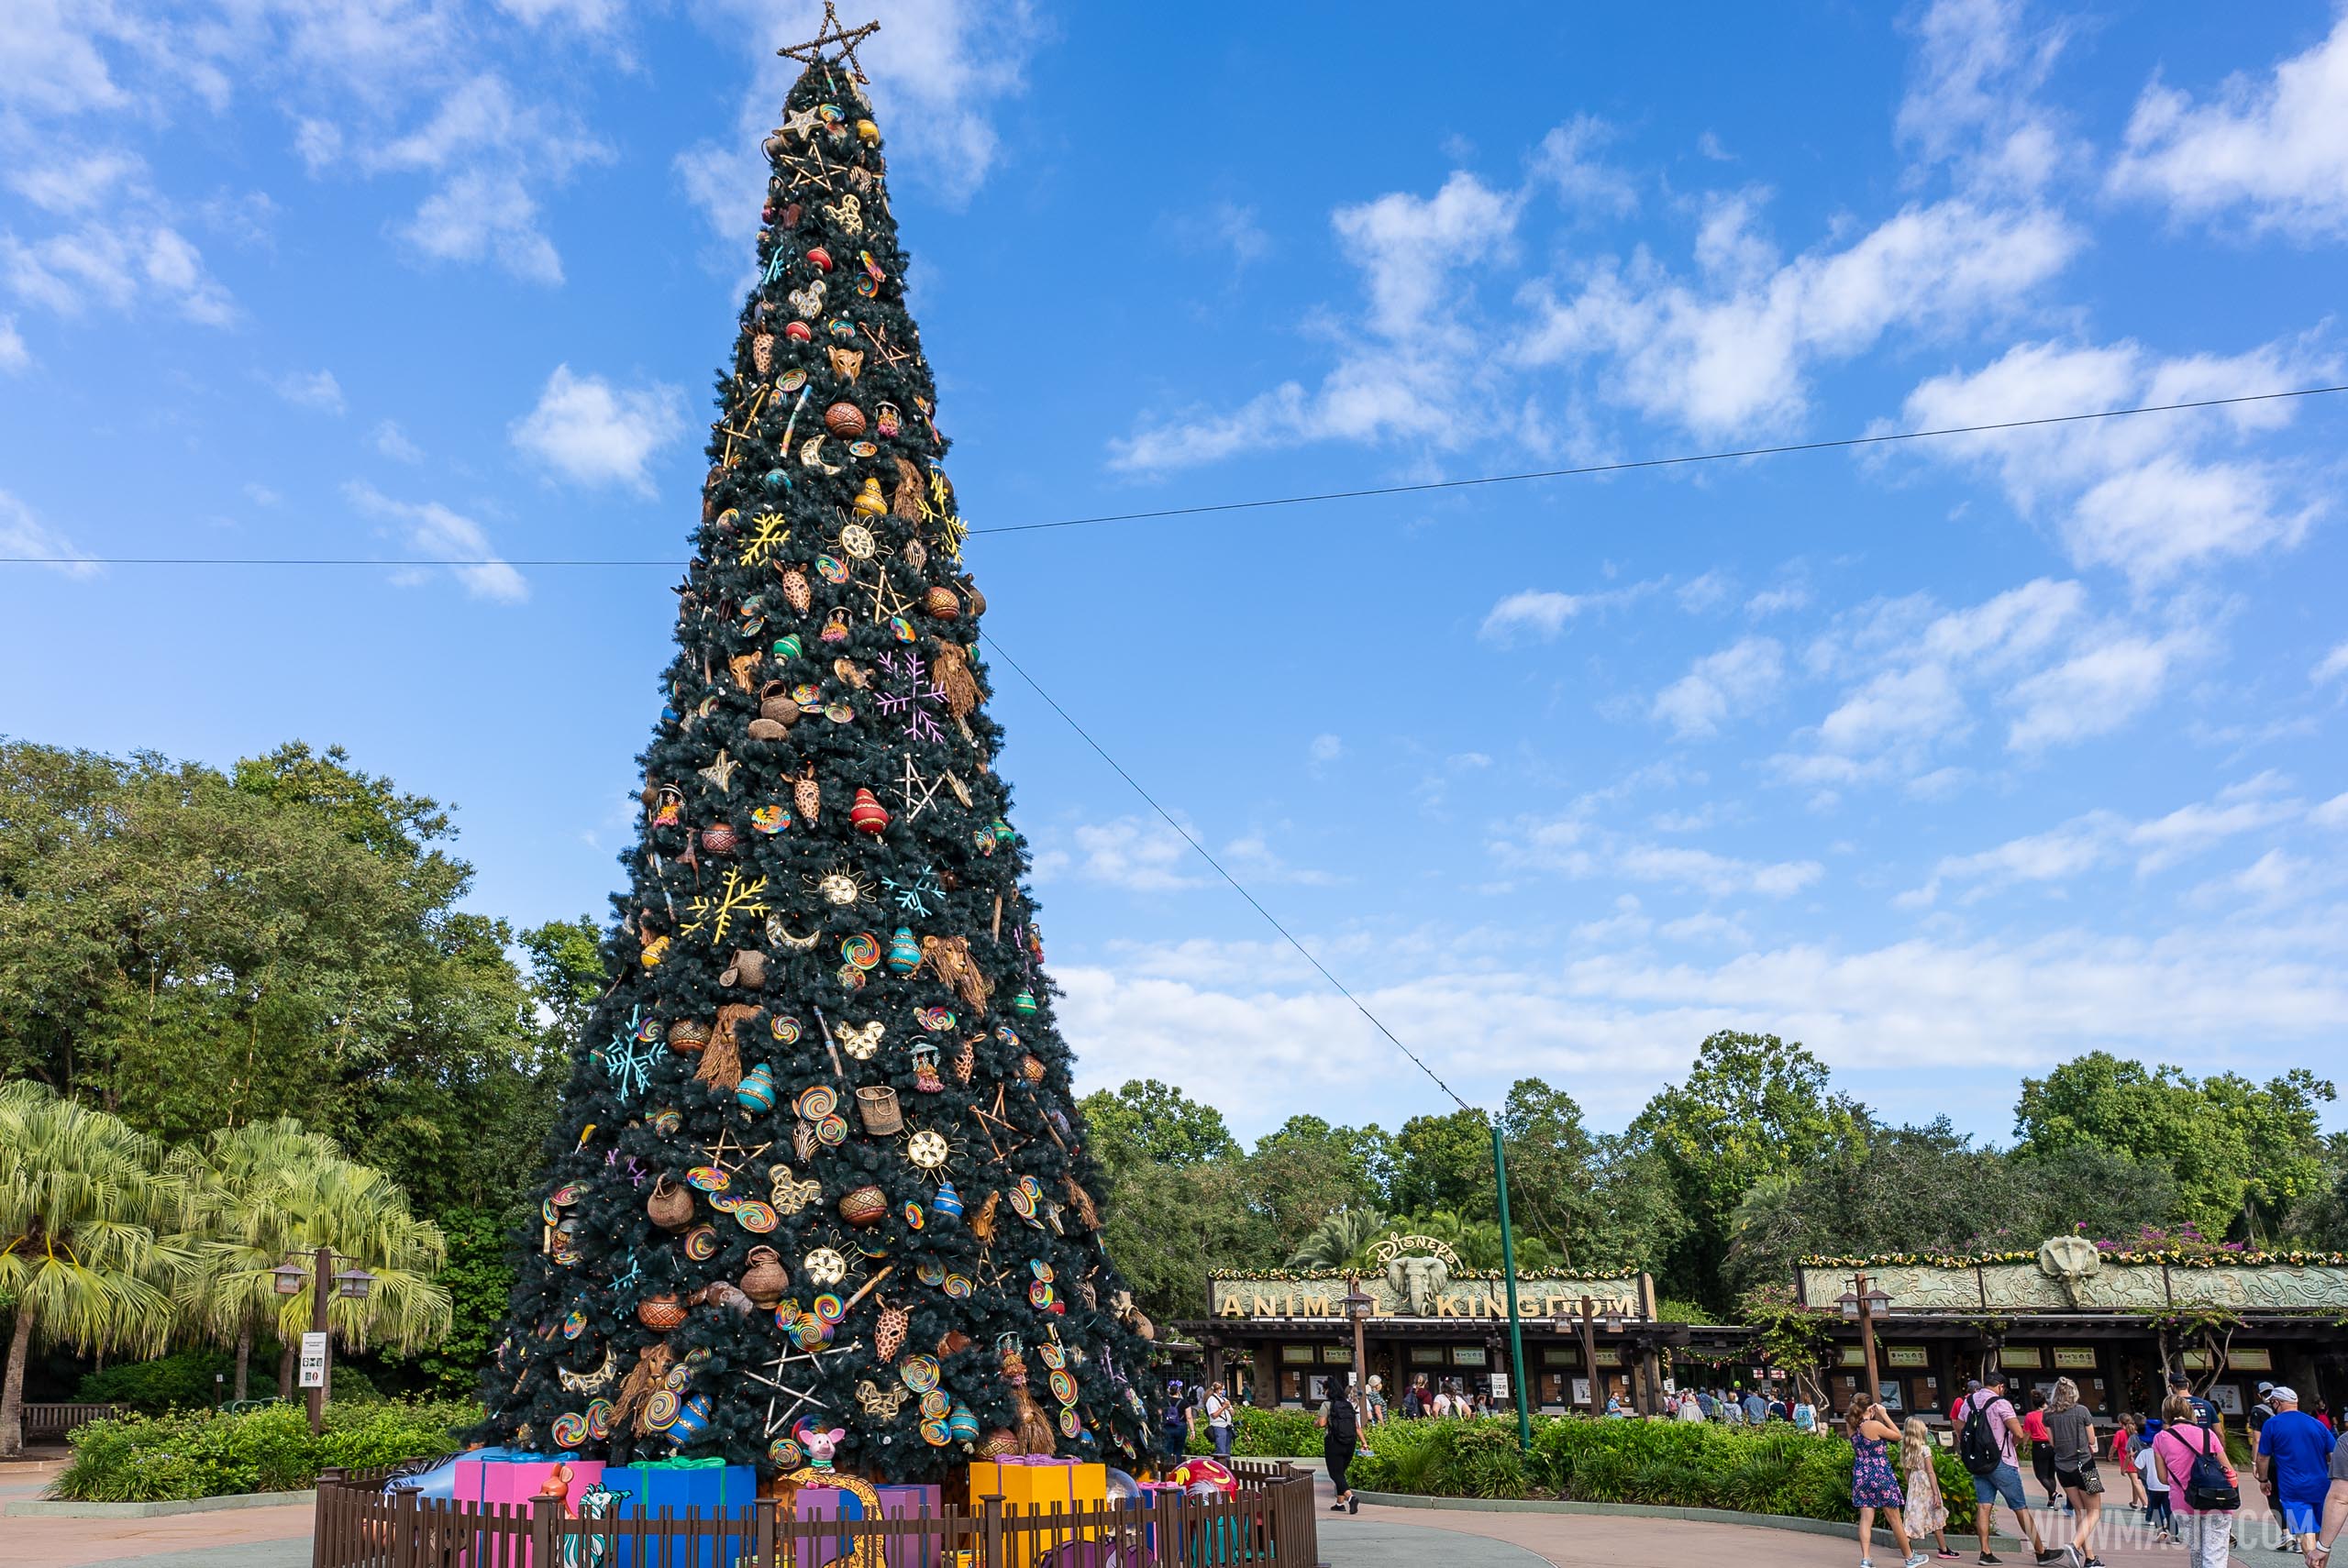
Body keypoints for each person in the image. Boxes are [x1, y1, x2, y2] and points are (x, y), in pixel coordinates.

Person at [1951, 1371, 2058, 1567]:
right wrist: (2013, 1443)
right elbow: (2018, 1432)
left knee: (1983, 1506)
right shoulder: (2001, 1403)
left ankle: (1985, 1552)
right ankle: (2041, 1552)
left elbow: (1959, 1425)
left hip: (1979, 1462)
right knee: (2020, 1507)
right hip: (2002, 1461)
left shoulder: (1969, 1402)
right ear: (2000, 1386)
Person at [2154, 1389, 2237, 1568]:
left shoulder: (2161, 1439)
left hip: (2183, 1502)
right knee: (2214, 1553)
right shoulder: (2208, 1434)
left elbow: (2162, 1478)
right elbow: (2229, 1470)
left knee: (2197, 1553)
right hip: (2216, 1499)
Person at [2257, 1387, 2337, 1563]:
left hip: (2291, 1488)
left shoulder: (2272, 1424)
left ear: (2277, 1402)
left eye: (2272, 1402)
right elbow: (2333, 1454)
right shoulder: (2316, 1424)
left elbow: (2263, 1456)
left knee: (2304, 1530)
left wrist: (2263, 1479)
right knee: (2321, 1536)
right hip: (2321, 1485)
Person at [1849, 1398, 1929, 1568]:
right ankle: (1909, 1557)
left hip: (1861, 1473)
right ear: (1870, 1408)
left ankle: (1866, 1559)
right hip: (1880, 1473)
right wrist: (1884, 1415)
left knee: (1866, 1517)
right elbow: (1898, 1435)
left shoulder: (1851, 1426)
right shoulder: (1873, 1425)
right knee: (1894, 1518)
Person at [2043, 1376, 2106, 1568]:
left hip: (2062, 1467)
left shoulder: (2048, 1415)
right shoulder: (2082, 1411)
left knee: (2079, 1511)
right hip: (2085, 1465)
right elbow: (2091, 1438)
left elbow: (2052, 1442)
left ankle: (2089, 1557)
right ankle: (2074, 1545)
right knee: (2095, 1511)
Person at [1902, 1415, 1961, 1559]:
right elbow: (1930, 1472)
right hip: (1927, 1485)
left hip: (1915, 1485)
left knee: (1913, 1516)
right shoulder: (1925, 1449)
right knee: (1936, 1514)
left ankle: (1909, 1549)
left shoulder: (1907, 1450)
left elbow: (1906, 1472)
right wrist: (1935, 1493)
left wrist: (1912, 1485)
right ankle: (1942, 1549)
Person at [2135, 1413, 2174, 1544]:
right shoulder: (2168, 1451)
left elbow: (2138, 1466)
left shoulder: (2145, 1452)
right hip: (2168, 1485)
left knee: (2156, 1508)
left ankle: (2160, 1529)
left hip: (2153, 1485)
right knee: (2169, 1510)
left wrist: (2131, 1457)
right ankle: (2174, 1534)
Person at [2020, 1390, 2060, 1509]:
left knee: (2041, 1475)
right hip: (2053, 1445)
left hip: (2039, 1445)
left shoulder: (2030, 1416)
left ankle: (2054, 1493)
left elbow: (2027, 1433)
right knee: (2051, 1474)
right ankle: (2051, 1501)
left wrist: (2025, 1444)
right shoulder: (2053, 1413)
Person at [2110, 1414, 2146, 1513]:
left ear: (2120, 1423)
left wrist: (2110, 1455)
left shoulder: (2120, 1433)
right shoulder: (2136, 1433)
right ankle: (2134, 1502)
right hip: (2139, 1460)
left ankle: (2145, 1504)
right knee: (2135, 1482)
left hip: (2129, 1461)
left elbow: (2114, 1446)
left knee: (2136, 1482)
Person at [1202, 1381, 1235, 1459]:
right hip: (1219, 1427)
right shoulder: (1212, 1400)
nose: (1222, 1391)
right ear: (1216, 1390)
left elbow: (1233, 1413)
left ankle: (1227, 1467)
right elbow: (1214, 1415)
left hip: (1228, 1426)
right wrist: (1223, 1407)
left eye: (1223, 1389)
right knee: (1221, 1451)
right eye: (1221, 1389)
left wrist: (1229, 1407)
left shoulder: (1224, 1399)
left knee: (1227, 1451)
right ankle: (1220, 1466)